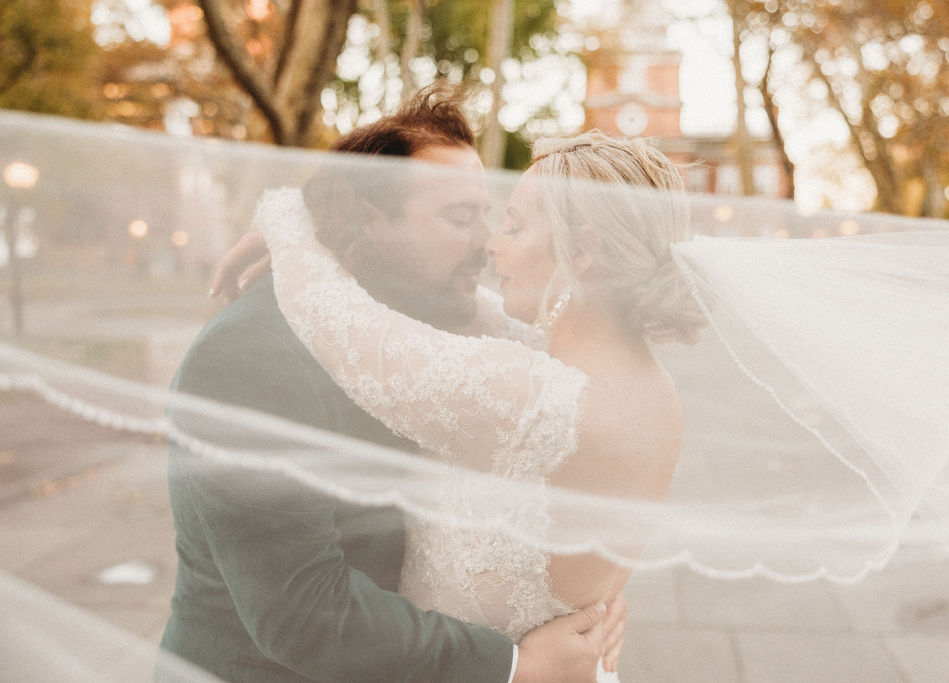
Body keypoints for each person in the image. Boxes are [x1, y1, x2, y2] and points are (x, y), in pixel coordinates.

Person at [160, 83, 622, 683]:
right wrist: (515, 666)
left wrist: (589, 598)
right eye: (460, 216)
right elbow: (302, 614)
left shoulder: (419, 324)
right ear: (368, 221)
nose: (485, 241)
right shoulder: (249, 357)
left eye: (487, 215)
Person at [254, 130, 704, 682]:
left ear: (583, 250)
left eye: (513, 226)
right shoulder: (650, 388)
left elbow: (337, 322)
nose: (492, 244)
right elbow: (492, 318)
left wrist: (286, 218)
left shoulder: (533, 400)